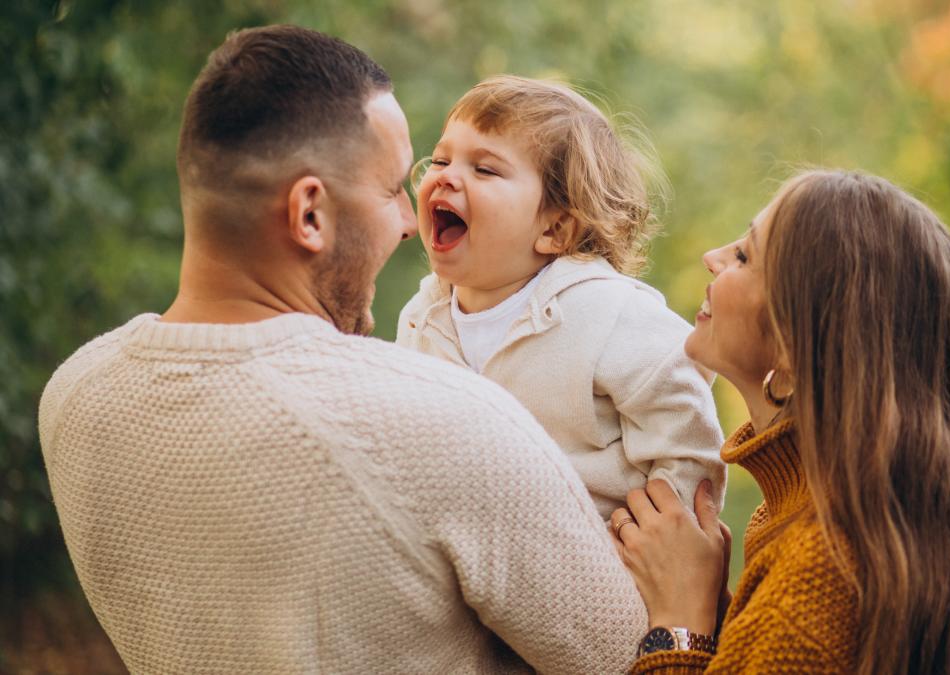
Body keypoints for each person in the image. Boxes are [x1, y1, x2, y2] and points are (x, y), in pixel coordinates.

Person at [38, 26, 646, 674]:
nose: (411, 221)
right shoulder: (448, 425)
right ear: (309, 214)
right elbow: (629, 660)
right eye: (392, 190)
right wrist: (688, 618)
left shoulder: (74, 395)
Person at [610, 170, 950, 673]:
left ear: (796, 342)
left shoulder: (817, 573)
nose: (712, 258)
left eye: (744, 256)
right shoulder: (883, 525)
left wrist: (680, 627)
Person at [397, 75, 726, 519]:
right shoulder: (422, 318)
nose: (446, 178)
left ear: (554, 229)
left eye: (485, 169)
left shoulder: (607, 312)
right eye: (439, 159)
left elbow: (684, 428)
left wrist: (660, 538)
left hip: (592, 562)